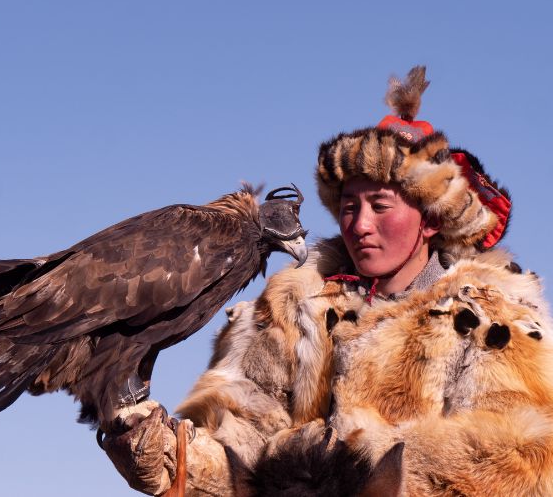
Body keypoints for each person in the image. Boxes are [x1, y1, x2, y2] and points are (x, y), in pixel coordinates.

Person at [101, 66, 553, 496]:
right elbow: (239, 445)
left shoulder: (489, 318)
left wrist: (364, 478)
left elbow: (524, 458)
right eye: (350, 206)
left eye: (380, 206)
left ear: (430, 220)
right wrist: (169, 454)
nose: (359, 224)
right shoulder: (295, 307)